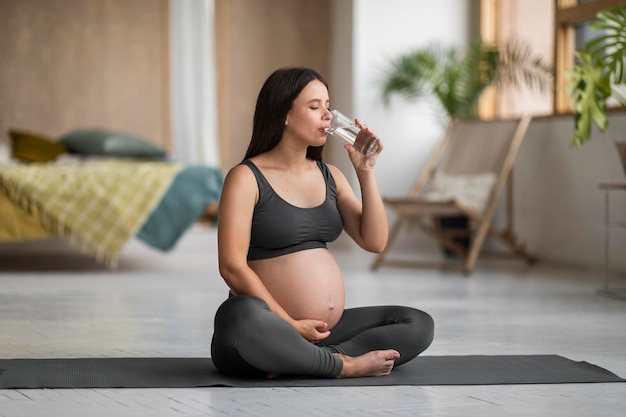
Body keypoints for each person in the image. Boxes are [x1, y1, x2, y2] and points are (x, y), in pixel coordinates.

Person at [211, 67, 434, 379]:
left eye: (328, 106)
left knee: (417, 324)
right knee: (240, 315)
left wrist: (366, 171)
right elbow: (232, 267)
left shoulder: (330, 175)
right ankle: (341, 365)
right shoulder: (245, 178)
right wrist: (289, 325)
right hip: (268, 322)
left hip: (325, 331)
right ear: (283, 115)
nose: (327, 115)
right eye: (314, 107)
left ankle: (301, 359)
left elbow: (375, 241)